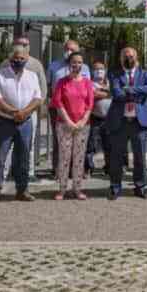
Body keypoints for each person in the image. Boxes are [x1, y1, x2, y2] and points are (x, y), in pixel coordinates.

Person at [0, 45, 43, 206]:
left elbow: (37, 98)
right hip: (4, 121)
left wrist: (24, 112)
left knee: (24, 156)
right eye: (15, 58)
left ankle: (22, 190)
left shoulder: (32, 76)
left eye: (22, 58)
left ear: (27, 59)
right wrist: (15, 112)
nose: (18, 61)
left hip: (25, 122)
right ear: (10, 59)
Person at [106, 47, 147, 200]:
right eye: (125, 56)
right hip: (119, 122)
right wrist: (136, 93)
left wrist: (130, 89)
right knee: (117, 158)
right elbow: (116, 92)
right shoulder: (114, 73)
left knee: (140, 157)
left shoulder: (144, 73)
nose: (128, 58)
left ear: (136, 57)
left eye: (131, 56)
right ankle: (115, 187)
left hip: (138, 123)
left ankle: (140, 187)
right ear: (121, 58)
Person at [0, 35, 46, 180]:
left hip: (29, 112)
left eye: (25, 44)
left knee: (28, 143)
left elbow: (42, 89)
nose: (22, 46)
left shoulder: (36, 64)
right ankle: (4, 173)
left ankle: (28, 173)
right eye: (19, 43)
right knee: (6, 145)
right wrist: (9, 110)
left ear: (29, 46)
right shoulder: (5, 63)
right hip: (8, 113)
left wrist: (34, 108)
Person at [49, 52, 94, 201]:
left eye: (80, 62)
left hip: (83, 125)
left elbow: (90, 104)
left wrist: (82, 121)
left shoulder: (87, 82)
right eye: (74, 62)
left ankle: (77, 188)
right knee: (64, 157)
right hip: (64, 125)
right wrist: (68, 121)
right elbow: (58, 102)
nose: (77, 65)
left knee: (79, 157)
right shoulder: (62, 82)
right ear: (69, 64)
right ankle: (62, 189)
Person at [48, 39, 91, 171]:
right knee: (59, 141)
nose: (69, 51)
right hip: (59, 108)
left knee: (78, 141)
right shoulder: (54, 66)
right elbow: (49, 86)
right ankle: (57, 169)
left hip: (79, 110)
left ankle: (75, 170)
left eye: (72, 49)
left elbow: (88, 89)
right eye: (67, 48)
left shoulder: (85, 68)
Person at [87, 61, 113, 176]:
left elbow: (115, 93)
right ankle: (88, 168)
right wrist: (108, 93)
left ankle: (109, 167)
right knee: (91, 145)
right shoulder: (89, 83)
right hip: (95, 118)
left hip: (109, 119)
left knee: (109, 145)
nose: (99, 71)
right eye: (96, 69)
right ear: (92, 72)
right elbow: (92, 95)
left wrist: (102, 92)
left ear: (105, 70)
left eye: (101, 69)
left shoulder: (110, 83)